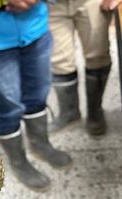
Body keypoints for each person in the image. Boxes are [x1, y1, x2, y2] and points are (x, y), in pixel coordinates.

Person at [0, 0, 72, 190]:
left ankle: (40, 144)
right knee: (9, 103)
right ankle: (18, 162)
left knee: (38, 94)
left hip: (35, 25)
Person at [48, 0, 119, 135]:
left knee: (98, 56)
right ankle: (69, 113)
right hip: (51, 4)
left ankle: (95, 111)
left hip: (92, 2)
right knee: (59, 61)